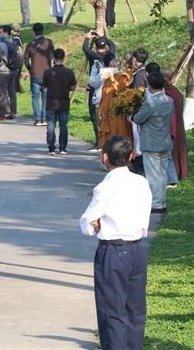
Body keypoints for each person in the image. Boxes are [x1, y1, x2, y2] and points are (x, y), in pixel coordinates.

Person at [79, 135, 152, 350]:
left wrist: (96, 224)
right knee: (135, 310)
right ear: (131, 156)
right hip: (137, 249)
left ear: (104, 158)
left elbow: (87, 223)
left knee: (113, 312)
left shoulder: (105, 187)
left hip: (112, 251)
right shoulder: (141, 182)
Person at [131, 71, 175, 213]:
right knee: (162, 174)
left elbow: (138, 119)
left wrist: (131, 117)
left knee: (153, 175)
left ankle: (156, 204)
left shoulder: (150, 103)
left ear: (149, 85)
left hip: (151, 142)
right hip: (165, 141)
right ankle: (161, 202)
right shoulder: (169, 100)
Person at [83, 31, 116, 150]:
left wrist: (87, 38)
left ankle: (98, 141)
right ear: (105, 46)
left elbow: (85, 48)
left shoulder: (93, 57)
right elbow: (113, 45)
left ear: (96, 47)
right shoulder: (110, 55)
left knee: (94, 115)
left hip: (95, 88)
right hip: (108, 89)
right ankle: (107, 141)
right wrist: (103, 37)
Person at [42, 49, 77, 155]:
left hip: (51, 102)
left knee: (50, 125)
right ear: (63, 57)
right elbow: (73, 86)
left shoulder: (48, 72)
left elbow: (44, 85)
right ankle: (62, 147)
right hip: (64, 102)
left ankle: (51, 147)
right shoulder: (69, 72)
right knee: (63, 125)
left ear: (53, 58)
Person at [162, 68, 189, 185]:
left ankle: (172, 178)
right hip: (177, 124)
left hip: (171, 124)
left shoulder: (167, 92)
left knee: (169, 153)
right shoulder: (176, 91)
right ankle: (176, 174)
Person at [24, 23, 54, 126]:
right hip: (47, 74)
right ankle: (44, 118)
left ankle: (37, 119)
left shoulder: (31, 44)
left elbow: (26, 60)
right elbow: (53, 57)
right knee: (45, 96)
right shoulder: (49, 43)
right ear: (42, 31)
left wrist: (30, 69)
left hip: (35, 74)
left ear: (33, 32)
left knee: (35, 97)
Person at [97, 59, 132, 149]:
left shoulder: (123, 77)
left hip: (117, 115)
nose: (111, 68)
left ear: (118, 67)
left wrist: (113, 79)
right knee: (107, 141)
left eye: (113, 67)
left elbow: (120, 92)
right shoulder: (106, 79)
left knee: (118, 138)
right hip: (106, 115)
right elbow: (104, 96)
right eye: (110, 66)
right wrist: (101, 111)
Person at [0, 25, 21, 119]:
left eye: (1, 32)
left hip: (6, 69)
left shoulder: (3, 43)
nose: (0, 34)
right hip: (15, 69)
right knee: (12, 91)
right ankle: (13, 111)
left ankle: (3, 112)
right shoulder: (14, 42)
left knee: (3, 91)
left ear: (6, 33)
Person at [0, 29, 12, 120]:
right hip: (7, 70)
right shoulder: (6, 44)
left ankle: (2, 112)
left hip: (1, 70)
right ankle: (6, 110)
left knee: (0, 93)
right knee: (5, 92)